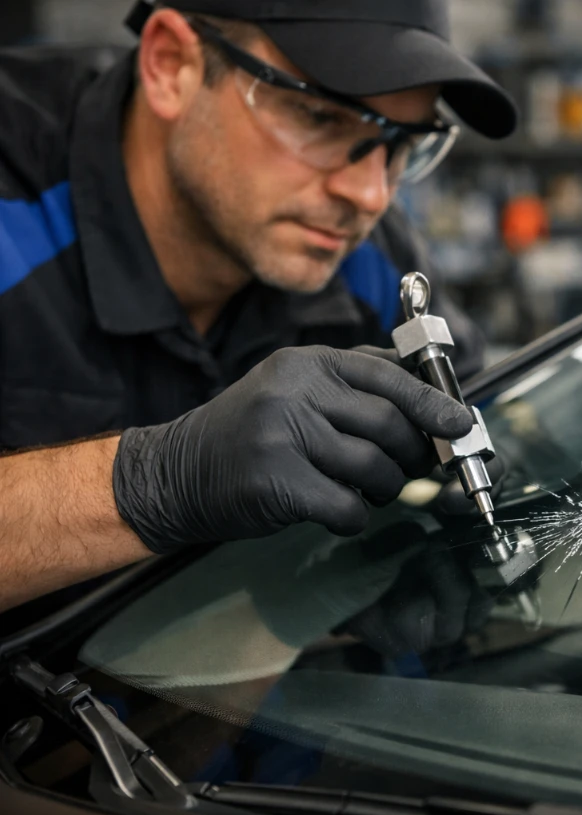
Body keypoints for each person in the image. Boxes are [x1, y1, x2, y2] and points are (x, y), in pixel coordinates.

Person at [0, 0, 517, 615]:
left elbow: (491, 427)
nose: (370, 194)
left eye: (402, 142)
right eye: (321, 117)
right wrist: (154, 481)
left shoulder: (365, 260)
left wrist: (355, 584)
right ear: (172, 65)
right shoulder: (13, 206)